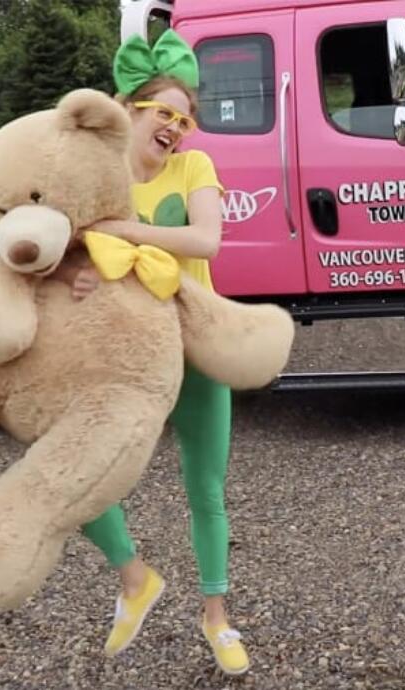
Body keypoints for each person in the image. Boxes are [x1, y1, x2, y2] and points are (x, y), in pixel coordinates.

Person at [50, 30, 248, 675]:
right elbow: (67, 257)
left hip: (195, 349)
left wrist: (117, 234)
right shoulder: (96, 176)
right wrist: (79, 268)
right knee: (74, 475)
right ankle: (135, 578)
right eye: (163, 112)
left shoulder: (195, 168)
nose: (176, 128)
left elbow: (207, 241)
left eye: (185, 119)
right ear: (128, 109)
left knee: (207, 490)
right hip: (122, 359)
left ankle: (216, 615)